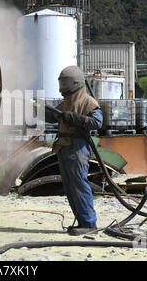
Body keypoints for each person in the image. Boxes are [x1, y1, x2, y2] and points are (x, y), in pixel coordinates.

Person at [45, 66, 103, 236]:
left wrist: (77, 119)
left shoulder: (88, 102)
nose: (63, 85)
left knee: (79, 184)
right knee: (70, 186)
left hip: (78, 147)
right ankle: (81, 222)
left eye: (66, 82)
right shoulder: (65, 103)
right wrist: (40, 108)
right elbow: (53, 117)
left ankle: (89, 223)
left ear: (76, 82)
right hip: (64, 146)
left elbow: (97, 123)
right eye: (61, 82)